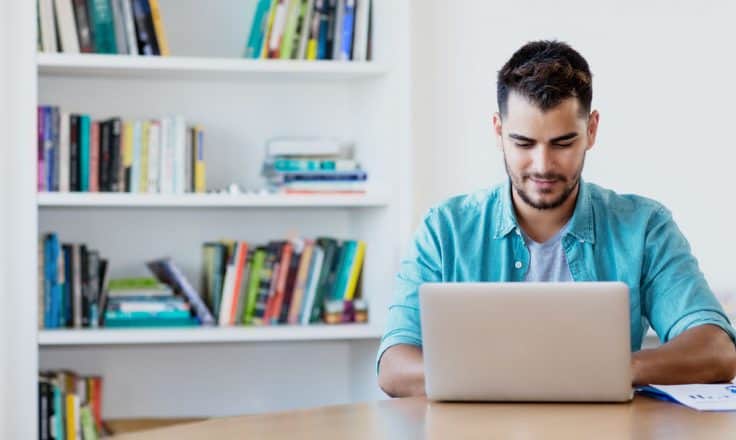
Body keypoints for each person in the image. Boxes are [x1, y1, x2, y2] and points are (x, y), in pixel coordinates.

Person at [377, 40, 736, 398]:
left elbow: (717, 351)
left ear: (591, 130)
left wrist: (608, 370)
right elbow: (394, 368)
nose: (543, 165)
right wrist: (528, 375)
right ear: (498, 131)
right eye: (523, 143)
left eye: (562, 143)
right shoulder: (445, 230)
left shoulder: (644, 227)